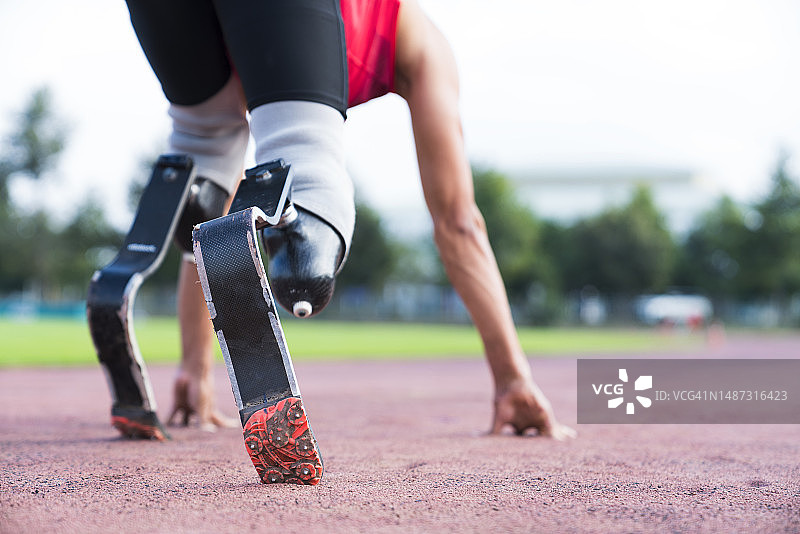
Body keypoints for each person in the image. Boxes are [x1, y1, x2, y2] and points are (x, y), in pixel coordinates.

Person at [168, 0, 575, 440]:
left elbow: (210, 218)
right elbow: (458, 221)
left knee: (206, 156)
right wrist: (512, 378)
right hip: (290, 28)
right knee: (305, 241)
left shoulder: (267, 53)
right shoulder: (420, 44)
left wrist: (195, 366)